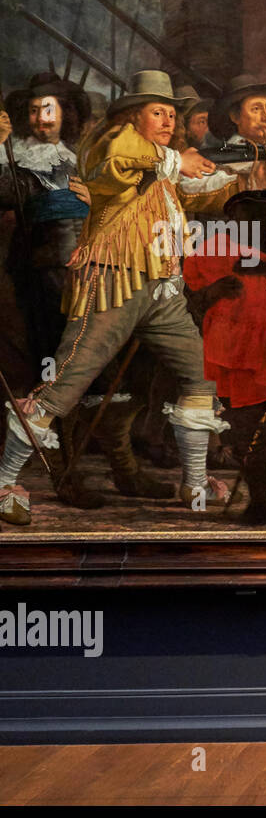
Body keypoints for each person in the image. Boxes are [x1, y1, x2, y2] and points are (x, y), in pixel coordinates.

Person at [0, 70, 241, 526]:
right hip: (115, 282)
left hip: (162, 291)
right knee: (64, 388)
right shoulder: (115, 142)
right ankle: (4, 482)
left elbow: (199, 192)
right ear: (132, 115)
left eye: (173, 114)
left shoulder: (162, 163)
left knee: (200, 375)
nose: (169, 121)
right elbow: (115, 163)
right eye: (158, 112)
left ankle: (194, 479)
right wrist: (176, 162)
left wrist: (245, 178)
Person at [185, 191, 266, 524]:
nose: (245, 225)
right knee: (250, 435)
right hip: (239, 359)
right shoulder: (215, 250)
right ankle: (258, 502)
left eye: (256, 218)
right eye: (240, 219)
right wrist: (210, 294)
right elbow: (192, 296)